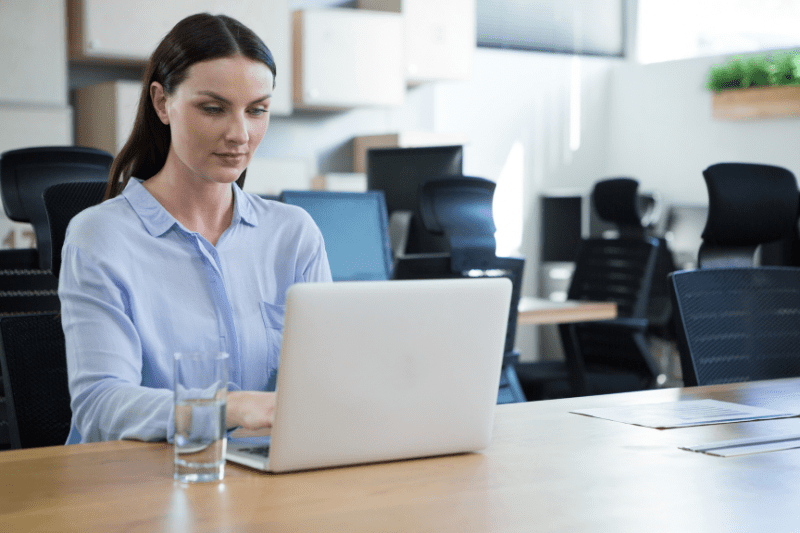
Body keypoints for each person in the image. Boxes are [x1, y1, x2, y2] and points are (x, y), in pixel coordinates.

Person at [59, 13, 332, 444]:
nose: (240, 134)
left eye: (257, 110)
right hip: (137, 489)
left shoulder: (293, 234)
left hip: (265, 483)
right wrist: (228, 408)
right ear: (162, 103)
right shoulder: (100, 237)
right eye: (213, 108)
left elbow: (325, 385)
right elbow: (100, 405)